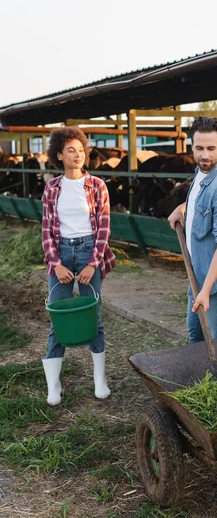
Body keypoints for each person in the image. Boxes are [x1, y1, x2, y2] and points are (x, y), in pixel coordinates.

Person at [41, 127, 116, 406]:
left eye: (81, 150)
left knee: (92, 316)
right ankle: (54, 385)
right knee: (57, 317)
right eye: (71, 150)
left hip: (88, 251)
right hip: (60, 253)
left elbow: (104, 229)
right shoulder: (52, 188)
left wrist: (92, 264)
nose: (77, 155)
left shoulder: (97, 185)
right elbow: (46, 229)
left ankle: (100, 381)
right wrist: (55, 263)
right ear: (59, 155)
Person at [168, 116, 217, 343]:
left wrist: (206, 290)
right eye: (199, 148)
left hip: (216, 281)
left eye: (211, 148)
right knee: (196, 335)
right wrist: (182, 208)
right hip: (199, 272)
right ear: (191, 145)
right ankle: (204, 377)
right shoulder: (202, 171)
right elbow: (202, 200)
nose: (205, 155)